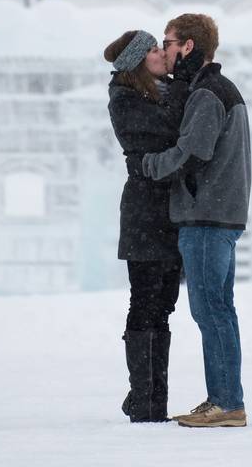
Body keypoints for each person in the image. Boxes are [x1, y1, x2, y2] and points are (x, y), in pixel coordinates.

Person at [143, 13, 252, 428]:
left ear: (188, 46)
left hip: (206, 216)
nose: (165, 51)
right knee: (219, 310)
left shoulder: (208, 93)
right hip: (219, 214)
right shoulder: (219, 90)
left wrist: (148, 164)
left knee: (210, 311)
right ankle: (225, 400)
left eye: (168, 42)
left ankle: (226, 404)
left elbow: (193, 152)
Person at [103, 28, 201, 423]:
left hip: (170, 212)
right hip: (145, 213)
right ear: (139, 61)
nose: (163, 54)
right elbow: (167, 133)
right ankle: (145, 398)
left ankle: (152, 395)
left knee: (164, 304)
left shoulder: (164, 91)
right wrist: (186, 84)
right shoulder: (125, 99)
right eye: (155, 50)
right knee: (144, 301)